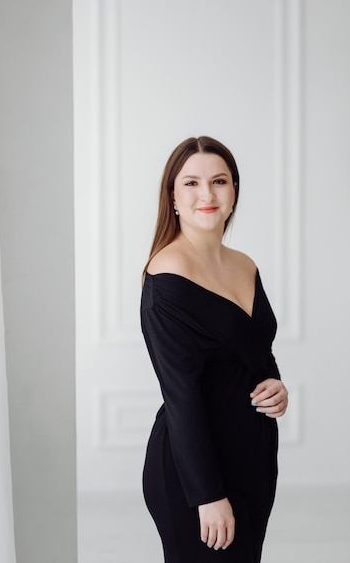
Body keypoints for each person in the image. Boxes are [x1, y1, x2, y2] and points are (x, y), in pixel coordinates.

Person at [140, 136, 288, 563]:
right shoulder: (167, 276)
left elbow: (256, 351)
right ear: (173, 196)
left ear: (234, 191)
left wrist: (275, 384)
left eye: (219, 181)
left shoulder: (245, 265)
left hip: (254, 459)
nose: (207, 194)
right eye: (191, 183)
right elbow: (181, 395)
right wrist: (207, 495)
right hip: (197, 475)